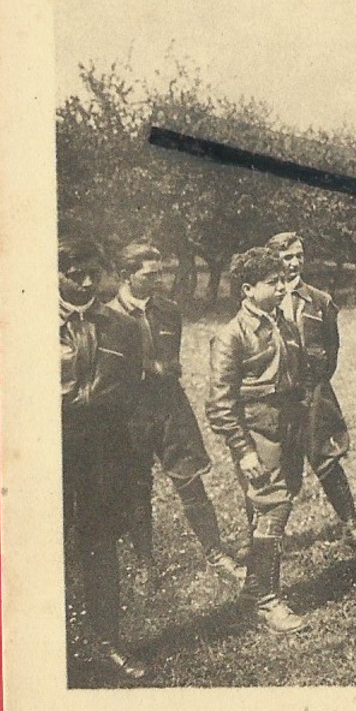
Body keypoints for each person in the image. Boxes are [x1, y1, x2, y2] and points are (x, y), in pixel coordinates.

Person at [104, 243, 245, 579]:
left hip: (169, 409)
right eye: (149, 274)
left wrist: (166, 369)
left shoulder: (168, 311)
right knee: (137, 487)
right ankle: (145, 563)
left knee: (190, 480)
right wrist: (147, 369)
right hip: (130, 416)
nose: (159, 280)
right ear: (127, 275)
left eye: (161, 272)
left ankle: (215, 553)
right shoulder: (107, 318)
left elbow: (171, 360)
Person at [207, 246, 310, 633]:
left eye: (284, 280)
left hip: (288, 427)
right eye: (274, 282)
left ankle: (254, 589)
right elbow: (220, 404)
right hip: (257, 431)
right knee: (273, 506)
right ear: (248, 289)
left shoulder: (281, 321)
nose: (283, 287)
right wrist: (244, 450)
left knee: (279, 503)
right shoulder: (231, 336)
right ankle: (267, 602)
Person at [59, 236, 147, 681]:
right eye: (75, 274)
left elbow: (132, 389)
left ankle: (109, 641)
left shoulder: (121, 327)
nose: (87, 282)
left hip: (100, 450)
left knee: (100, 543)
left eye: (93, 273)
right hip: (46, 447)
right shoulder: (21, 321)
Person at [265, 232, 356, 551]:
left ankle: (351, 526)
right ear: (273, 260)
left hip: (313, 391)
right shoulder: (263, 300)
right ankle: (270, 536)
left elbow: (332, 347)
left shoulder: (320, 301)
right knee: (275, 465)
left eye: (299, 255)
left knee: (327, 459)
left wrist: (316, 382)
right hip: (276, 396)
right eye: (287, 257)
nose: (295, 262)